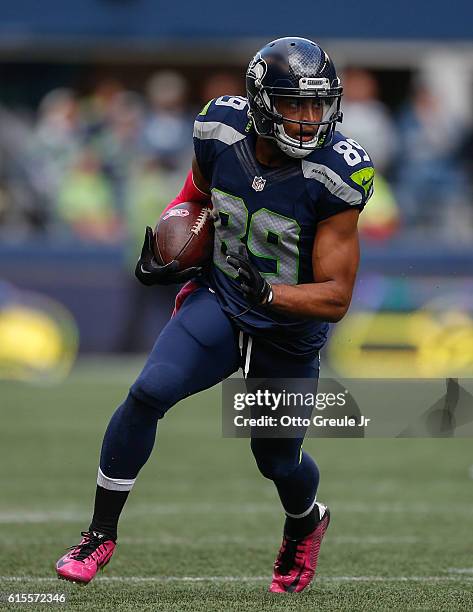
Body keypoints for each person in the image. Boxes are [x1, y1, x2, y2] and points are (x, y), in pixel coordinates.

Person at [55, 37, 374, 594]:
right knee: (148, 392)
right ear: (259, 101)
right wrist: (171, 247)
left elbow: (335, 296)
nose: (307, 119)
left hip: (289, 331)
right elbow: (196, 199)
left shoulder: (335, 174)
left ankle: (306, 522)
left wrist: (272, 297)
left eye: (316, 105)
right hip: (222, 300)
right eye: (293, 104)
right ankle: (98, 534)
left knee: (276, 462)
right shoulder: (220, 130)